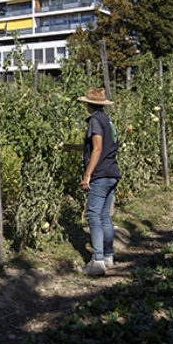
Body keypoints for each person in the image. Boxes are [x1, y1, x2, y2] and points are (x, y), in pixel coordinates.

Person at [63, 87, 120, 276]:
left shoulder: (94, 120)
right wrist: (74, 147)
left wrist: (87, 175)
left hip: (100, 174)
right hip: (112, 172)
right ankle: (108, 257)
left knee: (93, 215)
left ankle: (97, 260)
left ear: (88, 103)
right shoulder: (107, 120)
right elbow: (99, 147)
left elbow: (97, 149)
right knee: (104, 216)